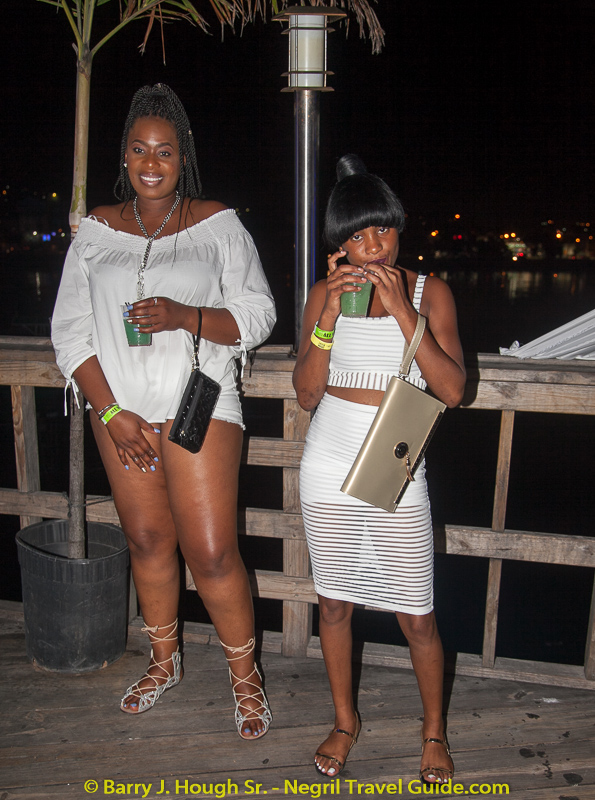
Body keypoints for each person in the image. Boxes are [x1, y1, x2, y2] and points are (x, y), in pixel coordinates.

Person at [51, 84, 276, 739]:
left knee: (211, 552)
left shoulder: (216, 223)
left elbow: (258, 314)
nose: (151, 162)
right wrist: (110, 412)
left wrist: (185, 316)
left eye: (165, 151)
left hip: (198, 404)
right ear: (124, 155)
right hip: (119, 411)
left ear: (184, 157)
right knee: (148, 543)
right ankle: (163, 663)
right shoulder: (95, 230)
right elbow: (70, 331)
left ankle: (246, 679)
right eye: (139, 149)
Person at [293, 155, 466, 780]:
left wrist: (402, 311)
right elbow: (306, 394)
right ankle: (345, 722)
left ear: (399, 229)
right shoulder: (324, 295)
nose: (374, 246)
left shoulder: (429, 293)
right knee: (334, 605)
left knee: (417, 613)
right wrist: (328, 316)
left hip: (397, 467)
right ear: (339, 245)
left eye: (383, 230)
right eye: (358, 236)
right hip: (327, 467)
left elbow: (452, 391)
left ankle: (434, 730)